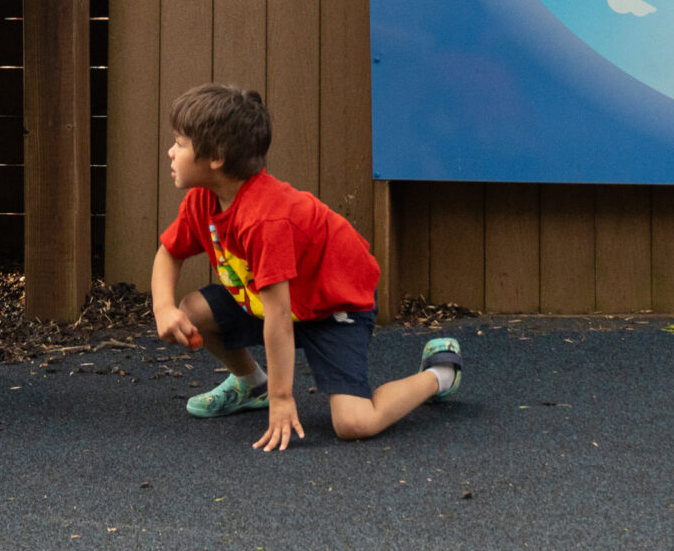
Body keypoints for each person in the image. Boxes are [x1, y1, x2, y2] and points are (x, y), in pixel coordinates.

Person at [150, 83, 461, 450]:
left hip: (334, 305)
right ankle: (253, 386)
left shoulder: (264, 221)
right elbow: (169, 253)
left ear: (216, 156)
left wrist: (285, 400)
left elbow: (278, 319)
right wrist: (163, 308)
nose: (171, 152)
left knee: (353, 423)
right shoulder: (203, 200)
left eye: (180, 143)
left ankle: (440, 374)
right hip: (280, 301)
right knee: (191, 311)